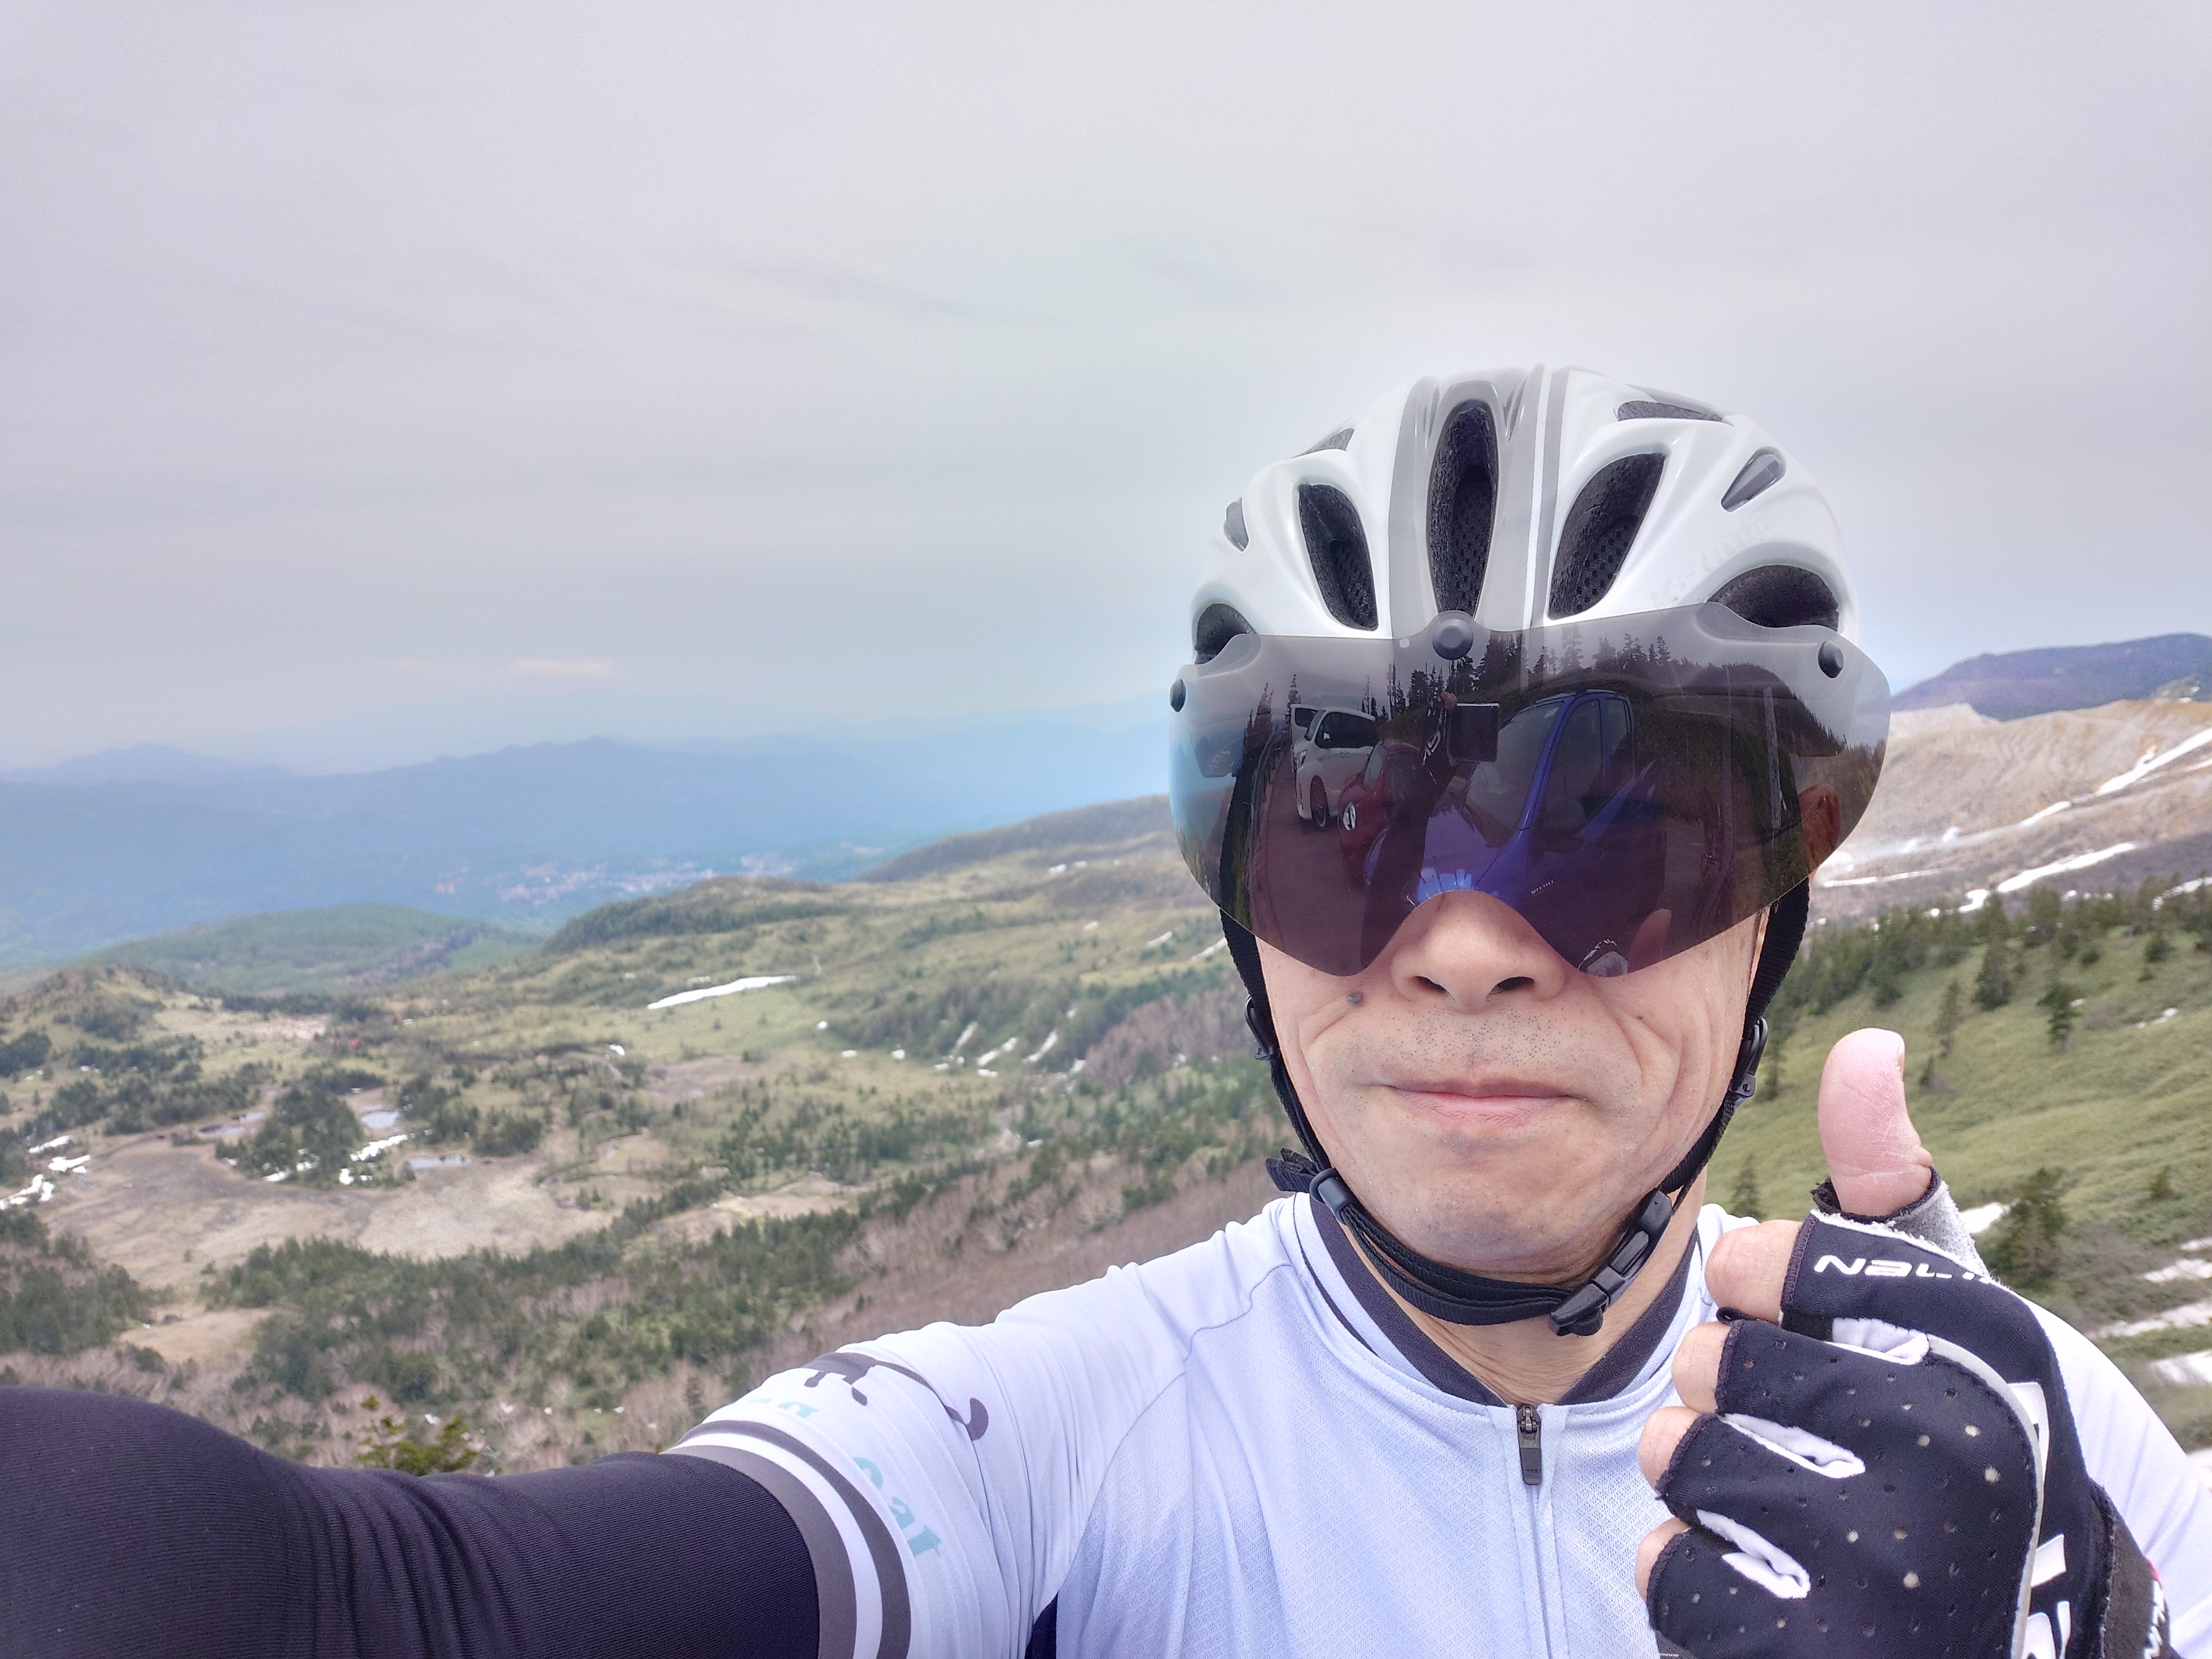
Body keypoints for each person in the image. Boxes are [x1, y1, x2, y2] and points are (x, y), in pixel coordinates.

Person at [5, 367, 2206, 1657]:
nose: (1466, 945)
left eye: (1621, 828)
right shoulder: (1068, 1442)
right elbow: (382, 1605)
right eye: (1346, 829)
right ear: (1246, 923)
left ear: (1776, 922)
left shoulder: (2032, 1442)